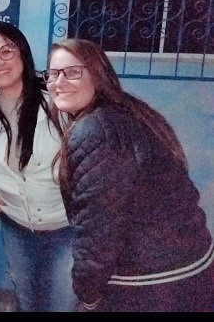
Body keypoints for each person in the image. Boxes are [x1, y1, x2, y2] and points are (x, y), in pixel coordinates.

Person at [44, 38, 214, 312]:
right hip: (189, 267)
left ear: (98, 74)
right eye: (52, 74)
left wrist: (88, 297)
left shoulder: (95, 131)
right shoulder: (129, 111)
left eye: (72, 72)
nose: (59, 82)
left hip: (153, 285)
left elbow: (98, 233)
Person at [0, 21, 77, 312]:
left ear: (22, 53)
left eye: (6, 51)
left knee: (60, 306)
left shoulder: (56, 103)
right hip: (16, 229)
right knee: (27, 303)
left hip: (65, 228)